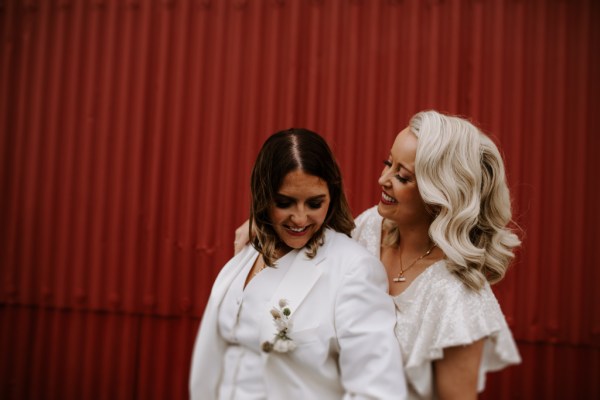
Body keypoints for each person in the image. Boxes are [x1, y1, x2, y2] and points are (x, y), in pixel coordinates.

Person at [234, 111, 522, 399]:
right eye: (388, 163)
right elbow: (311, 247)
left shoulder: (458, 299)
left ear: (441, 194)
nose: (383, 178)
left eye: (402, 176)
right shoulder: (371, 228)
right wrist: (265, 223)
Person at [190, 128, 407, 400]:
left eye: (315, 203)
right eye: (284, 203)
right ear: (263, 195)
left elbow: (377, 391)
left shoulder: (353, 268)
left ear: (332, 195)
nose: (300, 219)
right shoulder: (248, 249)